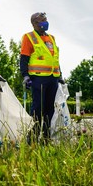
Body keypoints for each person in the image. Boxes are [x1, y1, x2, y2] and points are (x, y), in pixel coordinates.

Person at [20, 12, 62, 143]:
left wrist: (60, 76)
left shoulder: (52, 38)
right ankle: (32, 138)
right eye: (41, 20)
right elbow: (24, 59)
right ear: (34, 24)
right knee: (38, 109)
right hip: (38, 79)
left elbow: (55, 58)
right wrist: (25, 76)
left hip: (52, 78)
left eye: (45, 20)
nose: (45, 22)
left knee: (50, 110)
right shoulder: (29, 37)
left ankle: (46, 138)